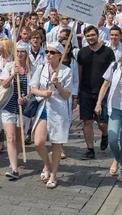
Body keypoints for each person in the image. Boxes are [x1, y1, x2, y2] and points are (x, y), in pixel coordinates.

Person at [30, 42, 72, 189]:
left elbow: (67, 95)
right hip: (44, 108)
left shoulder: (66, 71)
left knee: (56, 144)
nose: (48, 54)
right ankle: (46, 164)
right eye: (47, 51)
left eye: (52, 52)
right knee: (38, 142)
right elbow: (33, 88)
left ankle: (53, 175)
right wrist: (43, 93)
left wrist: (58, 84)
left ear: (60, 55)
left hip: (59, 111)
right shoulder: (41, 67)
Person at [77, 26, 116, 160]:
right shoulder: (82, 52)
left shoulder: (108, 52)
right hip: (86, 90)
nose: (90, 38)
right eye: (87, 36)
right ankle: (90, 150)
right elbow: (79, 72)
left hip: (103, 91)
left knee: (101, 122)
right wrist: (78, 91)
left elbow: (112, 73)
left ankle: (105, 134)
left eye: (92, 35)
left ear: (98, 35)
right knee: (87, 121)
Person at [0, 42, 33, 179]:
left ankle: (15, 157)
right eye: (18, 51)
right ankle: (14, 169)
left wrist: (25, 98)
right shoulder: (9, 66)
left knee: (19, 136)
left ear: (27, 54)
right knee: (10, 136)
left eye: (23, 52)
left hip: (23, 107)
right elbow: (3, 84)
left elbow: (34, 88)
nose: (19, 54)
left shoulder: (33, 69)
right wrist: (13, 74)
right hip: (8, 106)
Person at [95, 50, 122, 181]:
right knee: (112, 139)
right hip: (115, 108)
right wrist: (99, 103)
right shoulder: (114, 66)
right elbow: (105, 84)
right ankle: (117, 158)